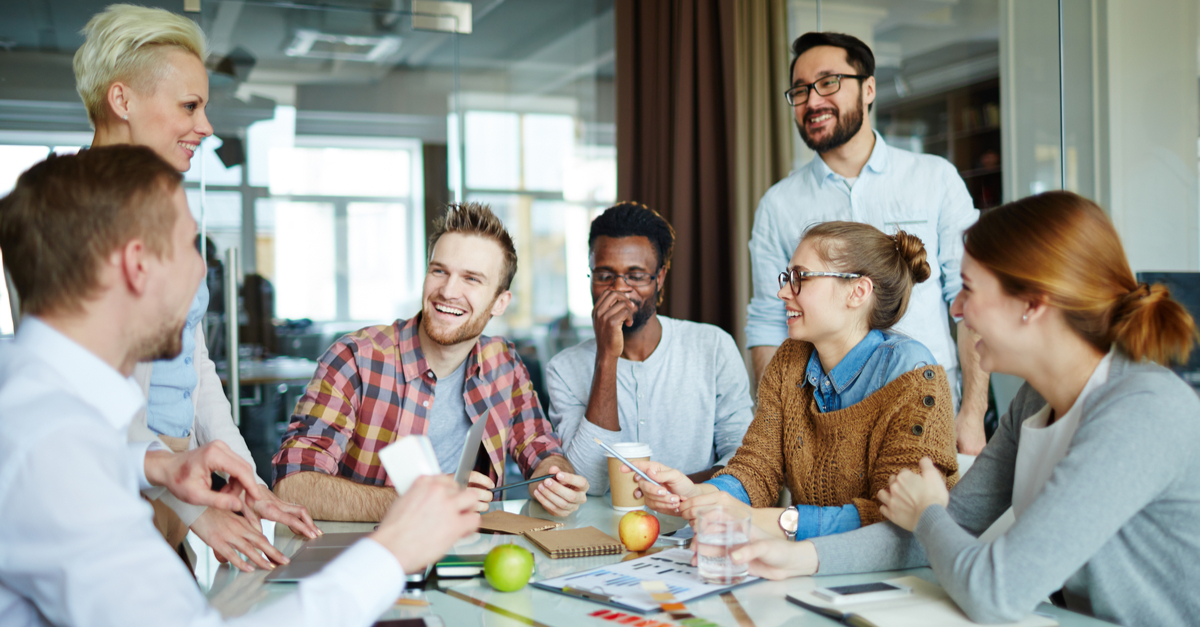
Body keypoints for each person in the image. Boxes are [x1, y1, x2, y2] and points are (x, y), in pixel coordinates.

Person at [0, 145, 480, 626]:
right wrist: (392, 551)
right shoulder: (54, 446)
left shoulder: (34, 408)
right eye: (190, 245)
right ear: (137, 264)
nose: (202, 274)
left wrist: (153, 464)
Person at [731, 192, 1200, 627]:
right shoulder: (1035, 401)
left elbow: (994, 587)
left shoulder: (1142, 412)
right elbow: (937, 529)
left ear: (1032, 305)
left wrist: (929, 513)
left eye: (971, 289)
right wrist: (801, 557)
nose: (957, 309)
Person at [74, 3, 317, 572]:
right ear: (122, 100)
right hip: (110, 490)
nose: (206, 127)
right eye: (190, 106)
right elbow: (91, 398)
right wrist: (189, 507)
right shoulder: (65, 216)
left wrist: (251, 482)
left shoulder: (162, 207)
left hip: (174, 484)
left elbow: (194, 362)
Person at [631, 222, 958, 541]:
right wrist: (703, 494)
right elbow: (758, 468)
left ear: (857, 292)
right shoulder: (791, 361)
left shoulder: (913, 376)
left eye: (801, 277)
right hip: (808, 570)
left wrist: (774, 520)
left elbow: (894, 518)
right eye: (788, 277)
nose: (783, 291)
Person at [745, 31, 987, 454]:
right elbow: (769, 322)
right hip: (826, 419)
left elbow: (971, 301)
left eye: (828, 82)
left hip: (930, 405)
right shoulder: (779, 204)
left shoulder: (935, 179)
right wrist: (779, 425)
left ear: (869, 87)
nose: (812, 100)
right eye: (800, 90)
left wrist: (972, 412)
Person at [272, 203, 589, 520]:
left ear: (500, 302)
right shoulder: (356, 358)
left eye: (472, 279)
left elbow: (540, 446)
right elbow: (292, 486)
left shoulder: (503, 362)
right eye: (439, 271)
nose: (449, 291)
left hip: (471, 554)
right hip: (372, 555)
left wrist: (554, 476)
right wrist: (421, 504)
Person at [545, 202, 753, 495]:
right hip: (602, 537)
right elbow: (588, 480)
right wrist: (607, 357)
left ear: (661, 277)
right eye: (604, 275)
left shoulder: (713, 347)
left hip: (695, 530)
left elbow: (744, 460)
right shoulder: (564, 368)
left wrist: (670, 491)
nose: (619, 289)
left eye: (636, 275)